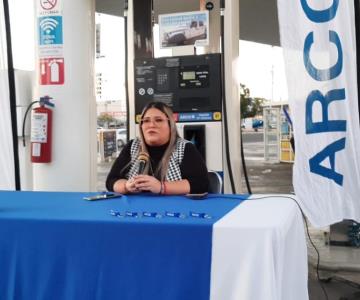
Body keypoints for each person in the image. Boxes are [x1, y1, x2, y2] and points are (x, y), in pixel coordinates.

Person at [106, 101, 209, 195]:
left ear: (170, 125)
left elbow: (201, 184)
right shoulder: (132, 146)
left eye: (158, 120)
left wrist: (161, 187)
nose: (151, 125)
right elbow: (111, 181)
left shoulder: (185, 148)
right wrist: (126, 186)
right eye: (146, 121)